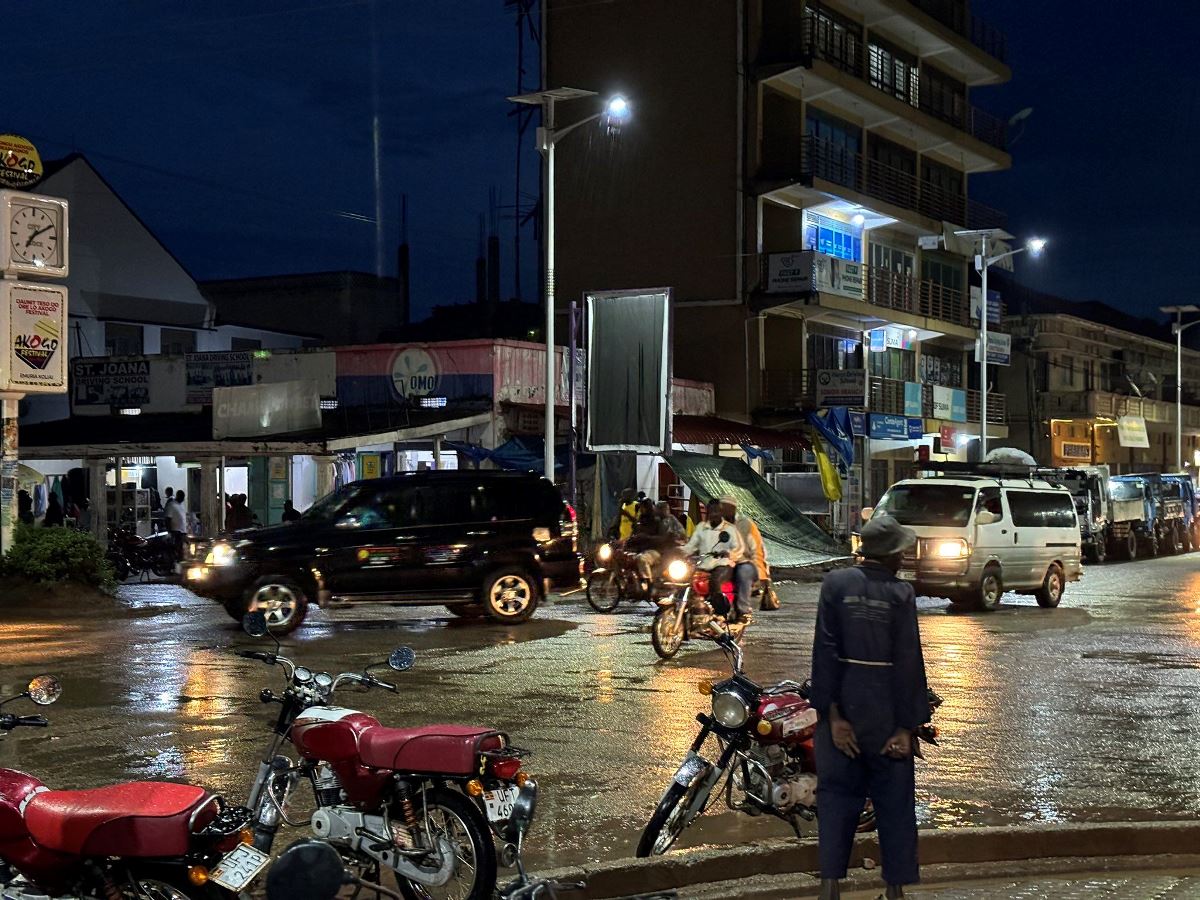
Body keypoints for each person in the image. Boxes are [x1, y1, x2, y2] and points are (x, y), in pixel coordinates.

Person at [809, 515, 931, 900]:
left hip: (843, 708)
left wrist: (833, 717)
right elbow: (908, 660)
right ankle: (895, 892)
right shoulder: (900, 593)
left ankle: (830, 888)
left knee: (836, 800)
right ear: (893, 554)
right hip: (884, 711)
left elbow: (823, 654)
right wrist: (904, 728)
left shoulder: (835, 584)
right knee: (894, 804)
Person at [680, 499, 744, 616]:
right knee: (684, 579)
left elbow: (739, 548)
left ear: (721, 512)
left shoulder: (729, 529)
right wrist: (679, 552)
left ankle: (719, 613)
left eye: (716, 511)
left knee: (715, 581)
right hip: (703, 564)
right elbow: (691, 546)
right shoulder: (701, 528)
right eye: (711, 511)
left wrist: (729, 553)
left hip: (722, 565)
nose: (713, 514)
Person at [720, 495, 768, 625]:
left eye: (726, 507)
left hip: (744, 563)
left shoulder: (746, 525)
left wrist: (762, 573)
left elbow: (757, 550)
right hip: (721, 562)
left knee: (744, 571)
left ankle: (743, 610)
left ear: (733, 509)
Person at [165, 490, 187, 560]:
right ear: (178, 496)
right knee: (177, 550)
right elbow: (168, 519)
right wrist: (169, 531)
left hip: (182, 532)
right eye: (182, 497)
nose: (183, 499)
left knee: (183, 550)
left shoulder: (181, 505)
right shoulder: (172, 505)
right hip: (176, 532)